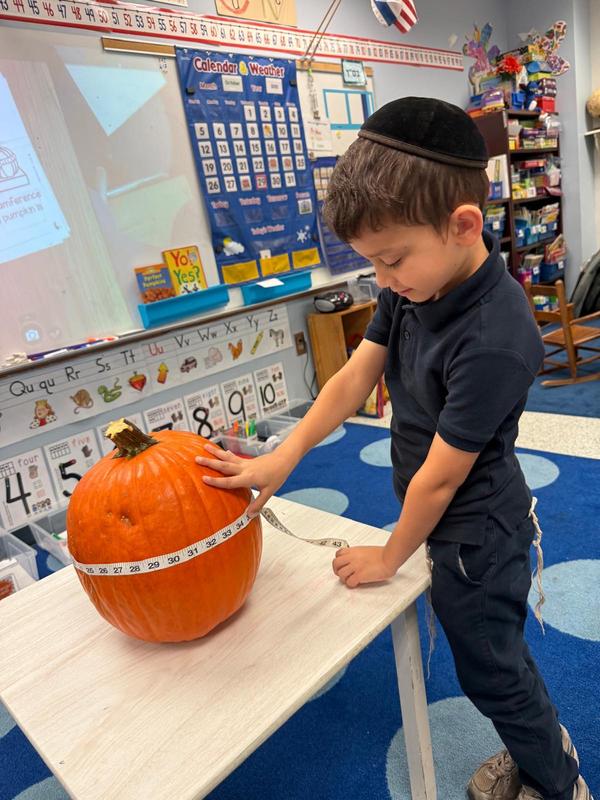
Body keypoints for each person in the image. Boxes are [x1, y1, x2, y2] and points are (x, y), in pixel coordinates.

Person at [195, 97, 592, 800]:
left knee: (489, 668)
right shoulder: (414, 282)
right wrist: (281, 458)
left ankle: (557, 781)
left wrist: (389, 556)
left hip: (476, 532)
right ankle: (538, 743)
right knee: (495, 659)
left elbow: (439, 484)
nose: (382, 279)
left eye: (391, 259)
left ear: (464, 225)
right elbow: (355, 376)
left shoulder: (499, 335)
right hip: (439, 519)